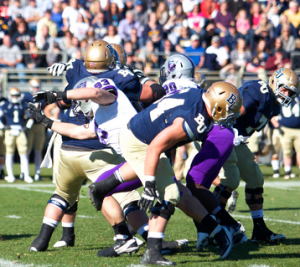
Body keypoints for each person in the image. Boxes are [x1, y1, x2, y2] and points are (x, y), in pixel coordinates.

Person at [30, 53, 243, 265]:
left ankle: (110, 191)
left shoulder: (107, 92)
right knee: (170, 192)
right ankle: (151, 246)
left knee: (171, 190)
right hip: (139, 144)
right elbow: (79, 132)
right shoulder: (100, 119)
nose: (81, 107)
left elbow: (95, 92)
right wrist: (46, 121)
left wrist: (58, 95)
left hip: (139, 141)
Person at [213, 68, 300, 243]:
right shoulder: (259, 91)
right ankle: (213, 227)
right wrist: (227, 132)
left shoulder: (274, 105)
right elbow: (234, 110)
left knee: (255, 178)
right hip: (225, 135)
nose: (286, 94)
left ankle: (259, 230)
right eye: (284, 89)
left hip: (237, 142)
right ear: (274, 83)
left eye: (290, 91)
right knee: (231, 181)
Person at [1, 88, 33, 183]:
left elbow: (30, 116)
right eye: (13, 95)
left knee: (23, 153)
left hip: (20, 130)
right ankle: (10, 175)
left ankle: (26, 175)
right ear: (10, 95)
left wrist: (28, 126)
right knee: (9, 153)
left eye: (17, 95)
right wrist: (2, 126)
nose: (15, 97)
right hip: (9, 130)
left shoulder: (23, 105)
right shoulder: (5, 105)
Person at [26, 78, 46, 181]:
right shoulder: (26, 96)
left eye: (37, 87)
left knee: (38, 150)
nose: (35, 89)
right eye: (34, 87)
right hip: (28, 126)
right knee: (27, 150)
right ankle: (25, 173)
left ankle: (37, 173)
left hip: (39, 125)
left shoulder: (42, 97)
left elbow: (47, 109)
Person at [278, 94, 300, 179]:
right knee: (287, 151)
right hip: (285, 129)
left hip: (298, 129)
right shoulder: (282, 99)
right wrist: (278, 126)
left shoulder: (298, 98)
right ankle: (287, 171)